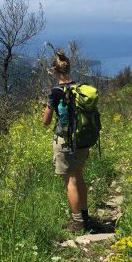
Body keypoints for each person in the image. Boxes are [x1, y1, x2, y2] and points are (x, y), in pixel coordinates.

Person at [42, 49, 90, 232]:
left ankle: (77, 223)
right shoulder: (79, 87)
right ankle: (85, 217)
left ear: (55, 71)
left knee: (70, 181)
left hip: (65, 140)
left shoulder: (56, 92)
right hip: (82, 138)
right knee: (79, 176)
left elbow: (46, 122)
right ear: (69, 68)